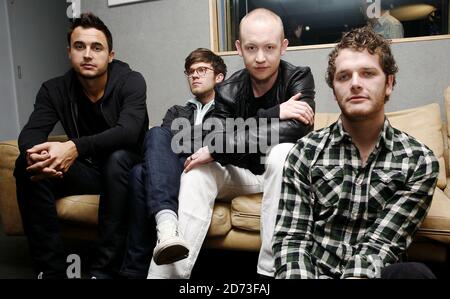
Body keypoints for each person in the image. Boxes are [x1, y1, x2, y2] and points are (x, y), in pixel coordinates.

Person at [147, 8, 316, 279]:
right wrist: (274, 114)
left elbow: (296, 130)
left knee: (282, 152)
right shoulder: (228, 89)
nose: (260, 57)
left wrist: (223, 145)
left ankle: (268, 272)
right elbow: (219, 138)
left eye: (269, 47)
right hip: (245, 170)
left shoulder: (299, 77)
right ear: (239, 48)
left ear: (284, 47)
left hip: (281, 172)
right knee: (197, 170)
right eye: (251, 47)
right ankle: (167, 276)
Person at [273, 26, 438, 279]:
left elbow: (381, 245)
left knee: (416, 274)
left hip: (373, 273)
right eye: (344, 76)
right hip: (314, 273)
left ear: (389, 84)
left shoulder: (419, 162)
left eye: (368, 73)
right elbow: (292, 241)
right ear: (334, 88)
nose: (356, 84)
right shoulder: (304, 153)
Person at [13, 12, 148, 279]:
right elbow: (30, 135)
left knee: (117, 157)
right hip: (87, 171)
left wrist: (74, 147)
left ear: (110, 55)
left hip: (125, 171)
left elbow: (129, 133)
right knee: (25, 164)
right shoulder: (54, 89)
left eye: (96, 47)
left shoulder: (130, 81)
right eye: (80, 46)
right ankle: (49, 270)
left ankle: (104, 270)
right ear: (69, 52)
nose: (87, 54)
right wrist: (40, 156)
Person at [119, 48, 226, 279]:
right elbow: (164, 144)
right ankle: (166, 232)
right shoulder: (177, 111)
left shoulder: (229, 108)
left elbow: (221, 140)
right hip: (175, 167)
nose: (194, 75)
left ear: (219, 77)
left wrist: (183, 139)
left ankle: (133, 269)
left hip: (210, 169)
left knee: (141, 171)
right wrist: (186, 139)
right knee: (154, 140)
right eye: (190, 72)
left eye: (201, 70)